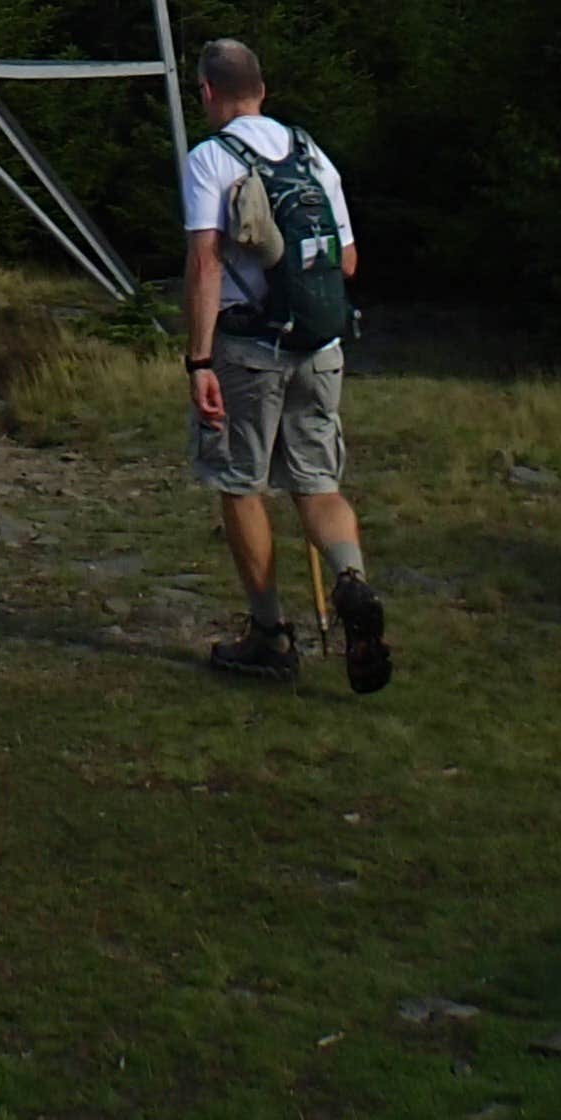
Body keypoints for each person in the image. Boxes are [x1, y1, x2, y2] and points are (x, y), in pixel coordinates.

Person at [180, 37, 393, 691]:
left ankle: (270, 636)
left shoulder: (210, 160)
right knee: (317, 486)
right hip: (322, 347)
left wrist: (199, 360)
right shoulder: (311, 153)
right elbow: (348, 261)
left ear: (207, 93)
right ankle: (351, 579)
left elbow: (205, 264)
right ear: (263, 90)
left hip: (251, 350)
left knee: (241, 484)